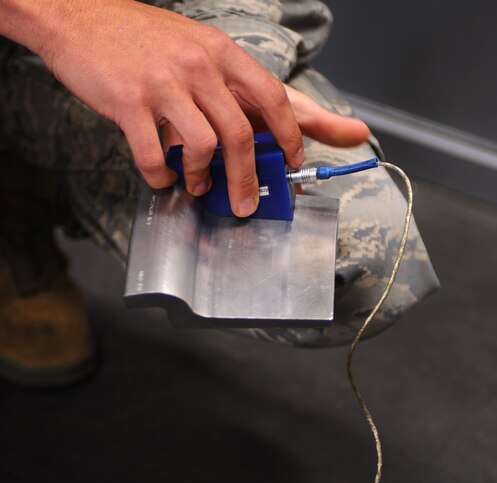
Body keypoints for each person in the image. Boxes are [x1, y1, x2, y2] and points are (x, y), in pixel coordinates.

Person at [0, 0, 438, 387]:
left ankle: (28, 192)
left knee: (360, 247)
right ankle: (18, 254)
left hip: (151, 26)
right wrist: (62, 17)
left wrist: (218, 73)